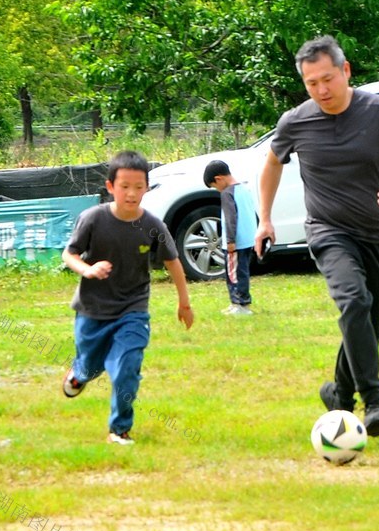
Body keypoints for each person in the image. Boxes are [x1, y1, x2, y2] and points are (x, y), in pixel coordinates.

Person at [255, 35, 379, 436]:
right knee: (353, 300)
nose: (321, 90)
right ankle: (373, 403)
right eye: (311, 84)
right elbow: (272, 164)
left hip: (378, 231)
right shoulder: (296, 121)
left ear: (346, 71)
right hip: (328, 230)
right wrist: (265, 219)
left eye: (327, 79)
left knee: (368, 319)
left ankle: (338, 393)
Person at [61, 150, 195, 445]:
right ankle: (79, 374)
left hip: (133, 309)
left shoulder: (152, 226)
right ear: (110, 187)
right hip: (92, 309)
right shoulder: (93, 219)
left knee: (126, 367)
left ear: (147, 187)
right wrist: (88, 269)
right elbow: (69, 254)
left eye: (138, 187)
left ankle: (119, 429)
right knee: (90, 366)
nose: (132, 194)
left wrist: (184, 302)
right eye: (124, 187)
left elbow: (173, 262)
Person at [204, 159, 258, 315]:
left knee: (233, 274)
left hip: (236, 242)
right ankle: (240, 303)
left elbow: (230, 218)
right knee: (243, 271)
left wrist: (230, 241)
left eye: (215, 186)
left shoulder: (227, 193)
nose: (217, 190)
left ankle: (239, 304)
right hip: (248, 239)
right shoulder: (243, 189)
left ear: (219, 179)